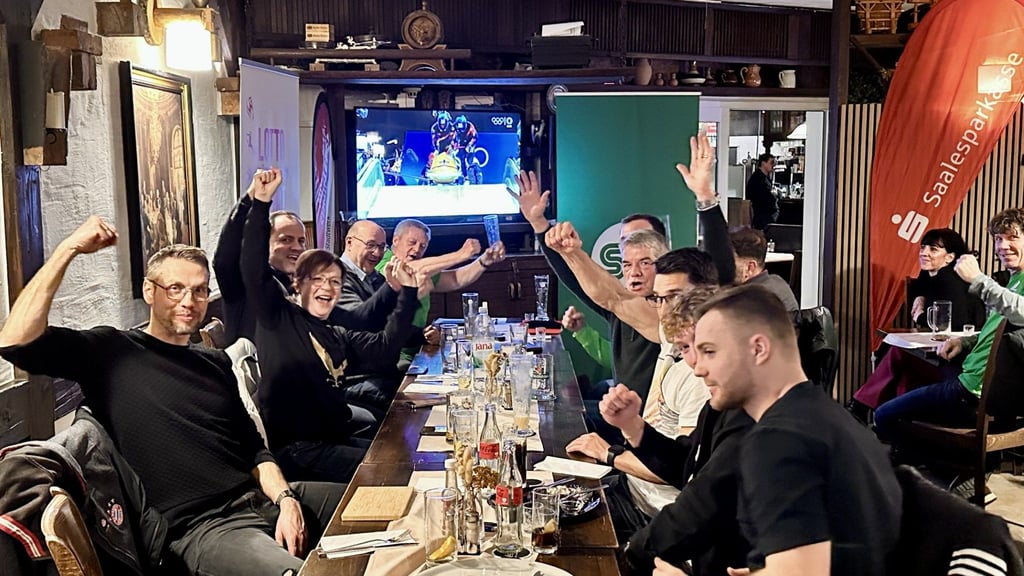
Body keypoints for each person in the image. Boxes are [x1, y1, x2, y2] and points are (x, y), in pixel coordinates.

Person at [0, 216, 345, 575]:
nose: (189, 301)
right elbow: (14, 342)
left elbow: (254, 448)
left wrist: (287, 500)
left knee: (387, 506)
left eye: (199, 290)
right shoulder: (111, 351)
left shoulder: (215, 363)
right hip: (205, 529)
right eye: (174, 289)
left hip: (262, 500)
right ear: (150, 291)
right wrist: (68, 249)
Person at [691, 284, 901, 575]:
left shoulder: (777, 441)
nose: (698, 368)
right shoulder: (831, 418)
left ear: (758, 349)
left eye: (709, 352)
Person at [241, 169, 421, 483]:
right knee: (394, 470)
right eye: (317, 280)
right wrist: (260, 204)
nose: (326, 288)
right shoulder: (279, 320)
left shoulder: (334, 331)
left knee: (403, 454)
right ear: (297, 284)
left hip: (331, 439)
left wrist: (406, 292)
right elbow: (252, 267)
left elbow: (384, 348)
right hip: (300, 450)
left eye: (334, 282)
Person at [562, 249, 714, 542]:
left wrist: (608, 453)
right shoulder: (671, 340)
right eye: (660, 299)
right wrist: (563, 248)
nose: (667, 309)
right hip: (632, 490)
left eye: (676, 297)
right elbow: (610, 295)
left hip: (653, 514)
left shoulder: (701, 377)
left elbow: (686, 470)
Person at [617, 287, 755, 576]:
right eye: (687, 350)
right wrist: (634, 427)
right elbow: (688, 464)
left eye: (707, 350)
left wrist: (631, 554)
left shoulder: (761, 426)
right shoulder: (722, 404)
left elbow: (698, 509)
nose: (696, 367)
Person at [874, 209, 1024, 442]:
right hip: (970, 377)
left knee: (883, 416)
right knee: (905, 364)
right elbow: (1000, 332)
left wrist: (978, 280)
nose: (1002, 245)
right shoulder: (1015, 278)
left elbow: (1021, 312)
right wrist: (965, 341)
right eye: (998, 238)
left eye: (1012, 237)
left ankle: (926, 471)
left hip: (975, 393)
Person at [850, 228, 985, 417]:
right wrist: (919, 297)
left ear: (949, 257)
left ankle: (867, 408)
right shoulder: (935, 273)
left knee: (900, 354)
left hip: (957, 362)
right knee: (901, 356)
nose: (924, 253)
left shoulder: (950, 280)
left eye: (933, 249)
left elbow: (951, 325)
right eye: (923, 247)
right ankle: (884, 416)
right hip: (946, 355)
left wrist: (921, 317)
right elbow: (920, 284)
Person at [376, 218, 505, 362]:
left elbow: (455, 279)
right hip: (393, 356)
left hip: (418, 349)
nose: (417, 249)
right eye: (412, 243)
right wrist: (460, 255)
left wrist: (483, 261)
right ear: (396, 240)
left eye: (423, 246)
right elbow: (409, 271)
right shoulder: (383, 261)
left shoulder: (424, 269)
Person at [730, 227, 799, 315]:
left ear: (750, 268)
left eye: (729, 261)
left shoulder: (753, 299)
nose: (724, 266)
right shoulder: (777, 281)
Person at [746, 153, 778, 231]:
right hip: (761, 214)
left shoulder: (762, 177)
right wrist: (773, 197)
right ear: (763, 163)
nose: (773, 165)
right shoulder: (758, 179)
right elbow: (763, 196)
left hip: (764, 214)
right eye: (771, 162)